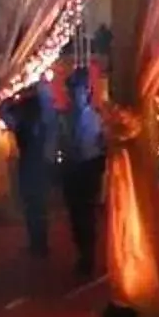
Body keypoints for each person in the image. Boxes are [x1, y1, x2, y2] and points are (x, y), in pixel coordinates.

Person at [55, 61, 107, 279]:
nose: (74, 94)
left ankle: (88, 256)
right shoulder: (63, 117)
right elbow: (59, 141)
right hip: (71, 166)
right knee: (76, 213)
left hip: (89, 166)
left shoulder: (98, 116)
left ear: (86, 91)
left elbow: (103, 143)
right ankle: (83, 252)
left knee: (86, 212)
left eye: (77, 89)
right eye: (71, 89)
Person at [1, 78, 59, 257]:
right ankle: (39, 243)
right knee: (36, 204)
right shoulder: (43, 116)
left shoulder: (25, 116)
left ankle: (38, 243)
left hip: (31, 162)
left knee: (33, 204)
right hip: (37, 162)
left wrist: (8, 97)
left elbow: (3, 112)